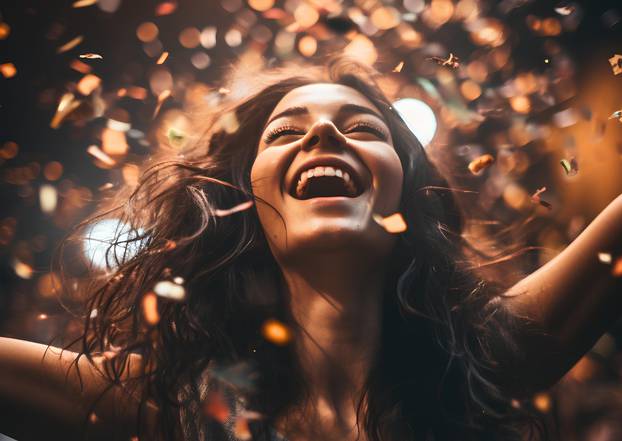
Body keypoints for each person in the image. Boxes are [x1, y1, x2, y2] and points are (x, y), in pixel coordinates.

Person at [0, 57, 621, 441]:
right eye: (286, 132)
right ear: (244, 199)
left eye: (361, 128)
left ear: (406, 193)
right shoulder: (164, 406)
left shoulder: (480, 366)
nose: (323, 132)